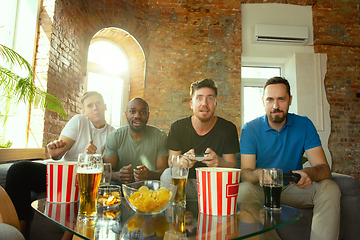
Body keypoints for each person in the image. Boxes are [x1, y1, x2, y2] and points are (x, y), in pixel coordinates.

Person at [238, 77, 341, 240]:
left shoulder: (304, 124)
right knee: (243, 189)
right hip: (264, 190)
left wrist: (308, 173)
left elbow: (324, 168)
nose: (275, 106)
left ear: (290, 100)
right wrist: (259, 175)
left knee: (330, 187)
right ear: (263, 101)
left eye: (281, 99)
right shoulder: (250, 128)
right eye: (270, 100)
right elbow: (245, 173)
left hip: (294, 188)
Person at [5, 91, 115, 238]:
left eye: (98, 103)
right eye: (90, 105)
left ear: (105, 106)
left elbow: (106, 168)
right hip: (60, 175)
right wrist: (54, 151)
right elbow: (58, 155)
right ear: (85, 111)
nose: (95, 108)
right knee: (19, 170)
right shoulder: (79, 121)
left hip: (83, 179)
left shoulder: (113, 133)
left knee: (88, 190)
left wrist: (90, 158)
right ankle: (19, 233)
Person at [162, 78, 240, 198]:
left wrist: (220, 162)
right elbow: (170, 162)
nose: (204, 103)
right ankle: (177, 214)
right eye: (199, 98)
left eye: (210, 98)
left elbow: (232, 165)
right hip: (187, 185)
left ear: (215, 104)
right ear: (192, 104)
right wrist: (181, 161)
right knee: (168, 174)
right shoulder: (178, 127)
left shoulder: (228, 128)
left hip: (217, 187)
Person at [103, 97, 168, 184]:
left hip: (150, 187)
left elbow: (164, 171)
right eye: (132, 111)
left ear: (148, 115)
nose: (137, 116)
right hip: (121, 185)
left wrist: (150, 175)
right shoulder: (115, 137)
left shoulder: (160, 136)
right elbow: (105, 172)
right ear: (126, 114)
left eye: (143, 112)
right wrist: (117, 175)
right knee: (110, 184)